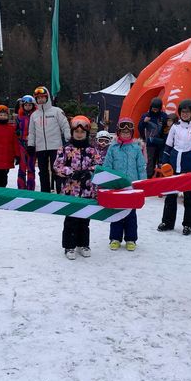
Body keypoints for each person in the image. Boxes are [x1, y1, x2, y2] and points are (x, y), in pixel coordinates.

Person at [53, 115, 103, 260]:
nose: (79, 135)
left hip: (87, 190)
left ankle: (83, 244)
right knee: (71, 219)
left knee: (85, 219)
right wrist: (71, 173)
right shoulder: (66, 149)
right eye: (77, 132)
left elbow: (99, 165)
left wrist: (89, 172)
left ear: (87, 133)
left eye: (82, 132)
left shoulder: (92, 150)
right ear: (72, 132)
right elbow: (57, 166)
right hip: (71, 191)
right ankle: (69, 245)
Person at [158, 99, 191, 235]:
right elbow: (168, 146)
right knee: (171, 194)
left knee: (188, 195)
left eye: (187, 112)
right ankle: (167, 222)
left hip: (188, 162)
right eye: (182, 112)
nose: (185, 114)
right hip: (174, 161)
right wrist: (165, 161)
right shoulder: (175, 126)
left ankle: (189, 224)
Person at [103, 117, 146, 251]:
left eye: (128, 132)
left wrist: (142, 184)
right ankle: (115, 238)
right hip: (117, 186)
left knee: (130, 214)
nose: (125, 134)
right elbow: (107, 165)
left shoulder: (136, 148)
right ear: (118, 133)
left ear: (132, 133)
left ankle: (131, 238)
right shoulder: (113, 148)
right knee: (116, 213)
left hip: (132, 186)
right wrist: (107, 182)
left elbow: (141, 166)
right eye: (123, 132)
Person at [27, 86, 70, 193]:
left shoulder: (56, 111)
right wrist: (30, 145)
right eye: (38, 98)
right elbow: (31, 132)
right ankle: (44, 191)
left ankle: (59, 190)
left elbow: (65, 125)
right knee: (43, 171)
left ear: (47, 98)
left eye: (43, 97)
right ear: (35, 99)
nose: (41, 99)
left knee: (57, 170)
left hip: (56, 146)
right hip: (40, 147)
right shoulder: (34, 115)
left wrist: (68, 138)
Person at [138, 97, 168, 178]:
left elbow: (167, 128)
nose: (155, 111)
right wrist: (144, 122)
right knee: (150, 162)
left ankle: (159, 177)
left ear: (160, 108)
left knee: (160, 162)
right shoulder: (146, 115)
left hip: (160, 143)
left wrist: (165, 139)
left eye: (156, 109)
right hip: (150, 144)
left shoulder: (163, 116)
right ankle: (148, 177)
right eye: (153, 109)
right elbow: (140, 128)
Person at [15, 95, 37, 190]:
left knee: (31, 167)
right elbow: (14, 129)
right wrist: (17, 131)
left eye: (30, 105)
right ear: (23, 106)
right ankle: (21, 187)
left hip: (32, 144)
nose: (28, 107)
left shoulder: (35, 117)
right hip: (22, 144)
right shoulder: (19, 117)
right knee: (22, 167)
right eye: (26, 105)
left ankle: (30, 188)